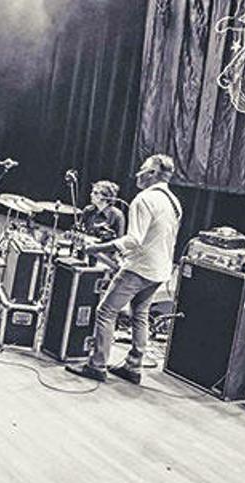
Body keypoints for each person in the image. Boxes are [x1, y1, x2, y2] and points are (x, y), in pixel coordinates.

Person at [68, 154, 183, 384]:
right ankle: (133, 366)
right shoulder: (174, 201)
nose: (137, 174)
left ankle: (97, 365)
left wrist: (95, 248)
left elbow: (133, 239)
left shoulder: (144, 199)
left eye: (142, 170)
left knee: (105, 312)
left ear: (152, 174)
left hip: (139, 268)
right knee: (140, 314)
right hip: (161, 269)